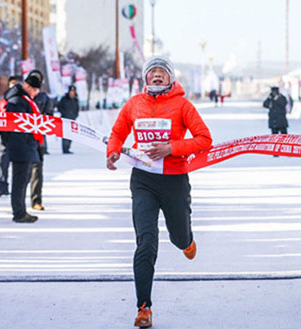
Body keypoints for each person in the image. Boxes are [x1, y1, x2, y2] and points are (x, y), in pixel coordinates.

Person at [106, 56, 212, 328]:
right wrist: (112, 152)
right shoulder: (134, 104)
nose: (156, 76)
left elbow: (204, 139)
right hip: (143, 181)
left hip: (174, 180)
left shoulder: (182, 105)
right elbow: (118, 132)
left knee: (178, 237)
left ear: (170, 78)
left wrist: (172, 148)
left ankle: (186, 240)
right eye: (151, 72)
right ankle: (144, 308)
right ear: (145, 78)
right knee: (146, 242)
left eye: (161, 73)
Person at [5, 73, 42, 223]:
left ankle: (21, 210)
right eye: (34, 90)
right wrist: (27, 140)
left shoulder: (25, 100)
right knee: (19, 181)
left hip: (26, 146)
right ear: (27, 87)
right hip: (20, 146)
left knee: (24, 180)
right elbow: (18, 125)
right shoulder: (17, 101)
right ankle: (19, 213)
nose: (35, 94)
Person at [0, 76, 22, 197]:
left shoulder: (21, 99)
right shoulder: (3, 100)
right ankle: (2, 186)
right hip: (5, 136)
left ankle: (17, 190)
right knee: (2, 163)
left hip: (18, 137)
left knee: (18, 166)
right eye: (12, 84)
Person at [29, 70, 53, 211]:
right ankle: (18, 202)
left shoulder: (44, 98)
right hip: (24, 140)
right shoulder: (24, 97)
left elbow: (50, 117)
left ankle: (36, 200)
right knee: (24, 173)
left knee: (37, 171)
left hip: (39, 139)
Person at [58, 85, 79, 154]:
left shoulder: (76, 100)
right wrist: (64, 114)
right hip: (65, 119)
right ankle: (65, 149)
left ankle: (68, 147)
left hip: (72, 119)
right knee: (65, 134)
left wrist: (75, 115)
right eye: (71, 91)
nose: (72, 93)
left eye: (73, 91)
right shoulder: (64, 99)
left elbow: (77, 109)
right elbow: (59, 107)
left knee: (71, 134)